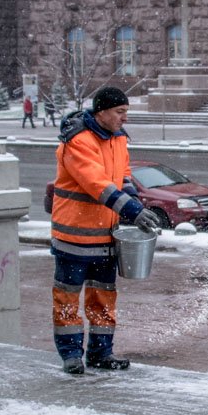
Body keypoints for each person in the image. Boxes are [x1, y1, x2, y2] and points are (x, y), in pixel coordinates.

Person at [50, 86, 162, 375]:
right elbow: (96, 183)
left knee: (103, 297)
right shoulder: (77, 142)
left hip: (105, 236)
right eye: (120, 112)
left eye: (126, 112)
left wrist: (135, 202)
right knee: (67, 299)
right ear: (101, 112)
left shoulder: (118, 140)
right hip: (73, 237)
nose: (124, 118)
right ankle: (71, 355)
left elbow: (122, 177)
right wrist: (133, 211)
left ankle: (101, 353)